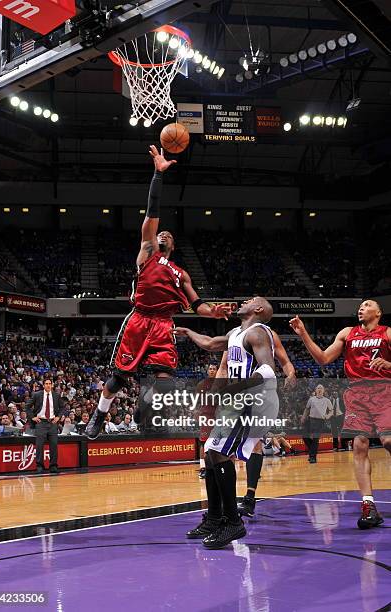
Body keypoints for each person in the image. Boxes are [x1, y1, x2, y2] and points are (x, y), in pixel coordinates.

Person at [86, 146, 230, 439]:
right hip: (139, 319)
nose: (163, 233)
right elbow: (152, 210)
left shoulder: (181, 274)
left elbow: (198, 305)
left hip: (164, 324)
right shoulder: (148, 251)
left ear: (174, 246)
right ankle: (99, 415)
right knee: (118, 379)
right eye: (160, 232)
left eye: (168, 234)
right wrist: (157, 175)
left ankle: (144, 406)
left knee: (165, 385)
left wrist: (212, 311)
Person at [177, 296, 279, 549]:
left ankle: (233, 522)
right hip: (237, 401)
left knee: (219, 453)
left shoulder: (258, 333)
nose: (244, 300)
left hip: (253, 401)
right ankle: (214, 518)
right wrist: (188, 332)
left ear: (258, 309)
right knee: (210, 452)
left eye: (251, 299)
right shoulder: (236, 332)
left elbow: (268, 370)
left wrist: (237, 388)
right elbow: (211, 343)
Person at [290, 299, 391, 529]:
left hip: (385, 391)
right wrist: (304, 333)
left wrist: (388, 364)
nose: (361, 308)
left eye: (367, 305)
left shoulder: (387, 333)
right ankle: (368, 505)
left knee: (387, 440)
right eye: (360, 306)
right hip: (356, 393)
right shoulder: (347, 333)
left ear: (378, 312)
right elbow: (323, 359)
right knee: (360, 445)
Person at [214, 330, 296, 518]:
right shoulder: (233, 334)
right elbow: (223, 366)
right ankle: (226, 500)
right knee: (219, 448)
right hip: (233, 394)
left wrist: (290, 373)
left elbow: (284, 360)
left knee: (254, 444)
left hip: (258, 393)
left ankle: (249, 497)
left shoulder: (267, 334)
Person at [25, 379, 65, 474]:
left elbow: (63, 407)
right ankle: (39, 466)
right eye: (46, 384)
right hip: (41, 423)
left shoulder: (56, 395)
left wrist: (58, 417)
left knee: (54, 445)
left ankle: (53, 466)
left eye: (49, 384)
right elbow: (27, 406)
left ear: (52, 385)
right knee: (39, 446)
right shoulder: (37, 394)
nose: (48, 385)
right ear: (43, 385)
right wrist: (33, 417)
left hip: (52, 423)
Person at [301, 384, 333, 464]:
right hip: (310, 420)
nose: (319, 389)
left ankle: (312, 457)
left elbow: (331, 410)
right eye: (318, 388)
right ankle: (312, 451)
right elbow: (307, 409)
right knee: (304, 436)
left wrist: (328, 416)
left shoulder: (327, 400)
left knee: (315, 439)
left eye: (321, 388)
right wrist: (303, 417)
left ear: (323, 390)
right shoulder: (311, 399)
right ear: (315, 390)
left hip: (320, 421)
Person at [196, 362, 218, 479]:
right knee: (203, 442)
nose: (212, 371)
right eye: (210, 369)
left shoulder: (221, 383)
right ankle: (203, 468)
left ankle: (216, 465)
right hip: (206, 416)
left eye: (214, 369)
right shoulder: (201, 384)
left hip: (218, 416)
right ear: (207, 370)